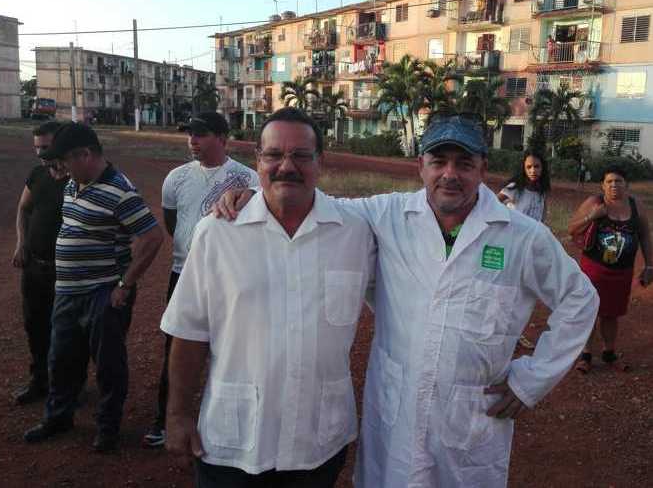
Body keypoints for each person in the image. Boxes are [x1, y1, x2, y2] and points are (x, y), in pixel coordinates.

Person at [214, 113, 599, 487]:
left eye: (464, 163)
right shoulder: (388, 215)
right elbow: (321, 207)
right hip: (395, 415)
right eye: (438, 161)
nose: (450, 174)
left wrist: (530, 381)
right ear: (421, 165)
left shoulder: (522, 236)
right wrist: (259, 195)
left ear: (483, 168)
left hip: (470, 421)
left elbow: (579, 299)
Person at [162, 108, 375, 487]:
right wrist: (177, 414)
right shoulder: (217, 232)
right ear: (257, 160)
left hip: (318, 440)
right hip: (235, 441)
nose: (286, 166)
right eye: (274, 155)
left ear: (320, 162)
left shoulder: (355, 232)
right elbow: (188, 331)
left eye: (301, 156)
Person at [23, 122, 164, 452]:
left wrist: (125, 284)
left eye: (64, 161)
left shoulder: (120, 190)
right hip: (68, 292)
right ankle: (59, 417)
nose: (59, 168)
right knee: (61, 360)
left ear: (85, 155)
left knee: (108, 366)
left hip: (103, 294)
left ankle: (107, 428)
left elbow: (152, 236)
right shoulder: (75, 183)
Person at [142, 113, 258, 449]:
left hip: (230, 276)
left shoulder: (247, 178)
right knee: (178, 345)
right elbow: (173, 221)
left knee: (233, 346)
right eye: (189, 134)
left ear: (223, 138)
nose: (193, 140)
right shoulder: (176, 178)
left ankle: (235, 417)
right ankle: (167, 418)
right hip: (183, 272)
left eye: (202, 134)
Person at [569, 165, 653, 373]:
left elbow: (645, 236)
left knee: (611, 313)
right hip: (593, 269)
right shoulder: (594, 203)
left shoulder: (636, 206)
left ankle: (609, 353)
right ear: (602, 185)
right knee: (590, 311)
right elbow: (572, 229)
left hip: (621, 272)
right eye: (609, 182)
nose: (614, 185)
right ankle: (586, 355)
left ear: (627, 185)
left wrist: (650, 265)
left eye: (618, 181)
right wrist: (593, 216)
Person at [12, 121, 67, 404]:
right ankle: (39, 381)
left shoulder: (78, 179)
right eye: (36, 147)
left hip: (67, 272)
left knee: (67, 332)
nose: (40, 153)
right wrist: (21, 243)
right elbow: (23, 209)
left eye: (45, 147)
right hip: (35, 267)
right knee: (35, 326)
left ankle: (67, 387)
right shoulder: (37, 175)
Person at [497, 150, 551, 350]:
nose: (533, 170)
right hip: (511, 246)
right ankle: (500, 332)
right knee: (506, 288)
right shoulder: (514, 189)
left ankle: (516, 333)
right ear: (523, 168)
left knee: (524, 291)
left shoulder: (542, 191)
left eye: (537, 166)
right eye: (529, 167)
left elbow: (542, 217)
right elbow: (494, 205)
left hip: (531, 248)